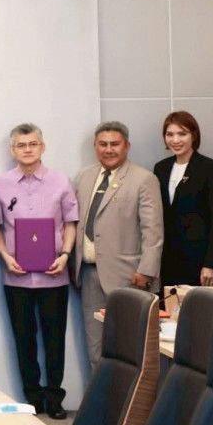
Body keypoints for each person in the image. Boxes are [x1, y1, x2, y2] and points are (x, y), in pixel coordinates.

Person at [0, 123, 78, 420]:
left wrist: (65, 255)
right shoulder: (0, 184)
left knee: (55, 339)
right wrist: (5, 256)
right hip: (16, 275)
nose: (27, 149)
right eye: (21, 145)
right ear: (12, 149)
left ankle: (54, 397)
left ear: (43, 146)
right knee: (24, 339)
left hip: (54, 274)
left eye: (32, 144)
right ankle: (32, 397)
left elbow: (70, 222)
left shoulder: (60, 181)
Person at [71, 120, 163, 367]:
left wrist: (147, 270)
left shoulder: (144, 179)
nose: (108, 149)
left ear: (127, 146)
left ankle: (131, 395)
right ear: (95, 146)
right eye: (103, 144)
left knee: (130, 349)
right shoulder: (84, 177)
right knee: (96, 349)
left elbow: (153, 231)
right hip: (89, 275)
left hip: (130, 278)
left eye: (115, 144)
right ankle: (101, 394)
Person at [154, 111, 213, 289]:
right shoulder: (161, 168)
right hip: (169, 259)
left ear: (194, 135)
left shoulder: (211, 168)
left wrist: (211, 263)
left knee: (202, 307)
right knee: (170, 307)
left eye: (182, 134)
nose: (175, 140)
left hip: (201, 261)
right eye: (169, 134)